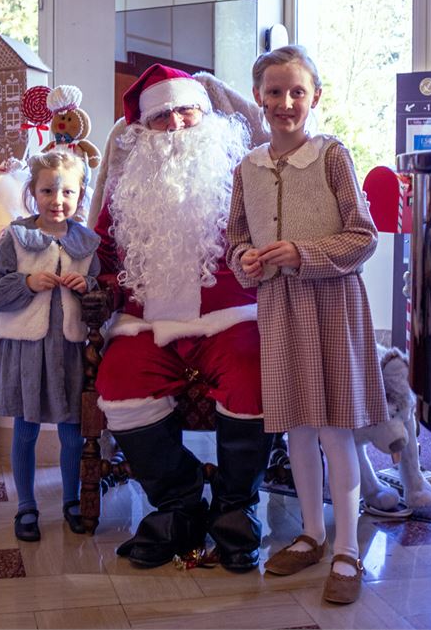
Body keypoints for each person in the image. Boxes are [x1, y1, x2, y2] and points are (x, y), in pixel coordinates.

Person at [91, 63, 274, 573]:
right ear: (143, 129)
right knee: (119, 382)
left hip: (231, 314)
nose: (174, 124)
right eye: (161, 117)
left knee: (251, 375)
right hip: (146, 321)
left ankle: (236, 511)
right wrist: (96, 288)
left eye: (186, 111)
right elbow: (105, 254)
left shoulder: (243, 175)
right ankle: (181, 505)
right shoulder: (126, 190)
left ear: (206, 114)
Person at [226, 44, 389, 604]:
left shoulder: (331, 156)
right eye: (275, 91)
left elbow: (363, 235)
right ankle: (312, 534)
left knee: (333, 427)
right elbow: (235, 239)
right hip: (278, 307)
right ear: (259, 98)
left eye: (297, 91)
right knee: (296, 423)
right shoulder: (245, 168)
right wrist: (245, 260)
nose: (286, 102)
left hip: (331, 305)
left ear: (315, 97)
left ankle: (347, 547)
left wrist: (302, 252)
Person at [0, 150, 100, 541]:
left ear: (80, 194)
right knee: (26, 428)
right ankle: (26, 505)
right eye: (48, 190)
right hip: (27, 352)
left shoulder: (87, 243)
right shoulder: (17, 238)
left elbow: (100, 294)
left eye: (67, 191)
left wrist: (88, 288)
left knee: (71, 430)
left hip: (68, 350)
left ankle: (70, 499)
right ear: (33, 191)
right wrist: (28, 283)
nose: (58, 200)